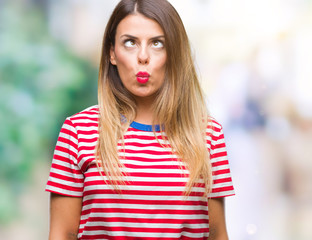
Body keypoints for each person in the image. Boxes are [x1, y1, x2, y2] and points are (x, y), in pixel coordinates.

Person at [45, 0, 235, 239]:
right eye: (130, 42)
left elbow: (217, 235)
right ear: (112, 53)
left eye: (157, 43)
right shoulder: (78, 131)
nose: (143, 56)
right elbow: (62, 234)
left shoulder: (208, 134)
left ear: (173, 53)